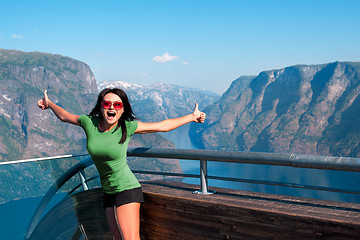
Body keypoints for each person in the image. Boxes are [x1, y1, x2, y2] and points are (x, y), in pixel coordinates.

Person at [37, 88, 206, 240]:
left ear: (122, 109)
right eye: (107, 104)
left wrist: (192, 117)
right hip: (109, 191)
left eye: (117, 105)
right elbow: (64, 116)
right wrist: (49, 103)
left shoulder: (127, 126)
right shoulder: (89, 123)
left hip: (126, 189)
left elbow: (163, 126)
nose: (112, 107)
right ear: (101, 107)